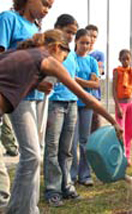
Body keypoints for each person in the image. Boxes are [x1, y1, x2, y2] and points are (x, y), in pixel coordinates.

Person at [0, 29, 122, 213]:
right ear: (57, 47)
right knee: (32, 156)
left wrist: (36, 83)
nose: (62, 65)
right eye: (64, 59)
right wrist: (113, 121)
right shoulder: (47, 59)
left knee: (32, 157)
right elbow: (87, 98)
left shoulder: (20, 53)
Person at [0, 0, 54, 213]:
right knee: (32, 155)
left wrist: (41, 81)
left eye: (50, 7)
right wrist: (33, 79)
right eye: (44, 3)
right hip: (15, 96)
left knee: (34, 156)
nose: (46, 10)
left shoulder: (37, 29)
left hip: (35, 97)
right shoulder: (9, 19)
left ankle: (30, 207)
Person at [43, 14, 79, 207]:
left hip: (71, 104)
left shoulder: (71, 54)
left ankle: (67, 185)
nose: (71, 36)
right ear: (57, 28)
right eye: (68, 32)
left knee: (67, 149)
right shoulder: (51, 51)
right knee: (52, 147)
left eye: (73, 33)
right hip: (55, 104)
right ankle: (52, 189)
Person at [71, 29, 100, 187]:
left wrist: (76, 80)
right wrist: (85, 82)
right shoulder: (71, 58)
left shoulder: (92, 62)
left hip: (87, 104)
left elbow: (95, 84)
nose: (84, 46)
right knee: (71, 141)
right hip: (72, 103)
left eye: (87, 43)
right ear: (76, 41)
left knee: (84, 141)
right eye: (82, 42)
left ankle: (85, 174)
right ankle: (72, 175)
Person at [112, 49, 132, 166]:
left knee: (130, 131)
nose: (125, 61)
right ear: (119, 60)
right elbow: (114, 89)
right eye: (123, 59)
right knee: (120, 131)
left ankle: (128, 156)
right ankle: (120, 155)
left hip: (130, 103)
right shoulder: (117, 72)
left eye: (128, 59)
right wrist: (117, 106)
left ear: (131, 59)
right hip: (121, 103)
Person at [85, 24, 105, 133]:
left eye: (95, 36)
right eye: (90, 35)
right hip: (80, 96)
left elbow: (100, 72)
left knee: (95, 129)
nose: (92, 39)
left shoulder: (99, 54)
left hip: (95, 96)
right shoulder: (77, 54)